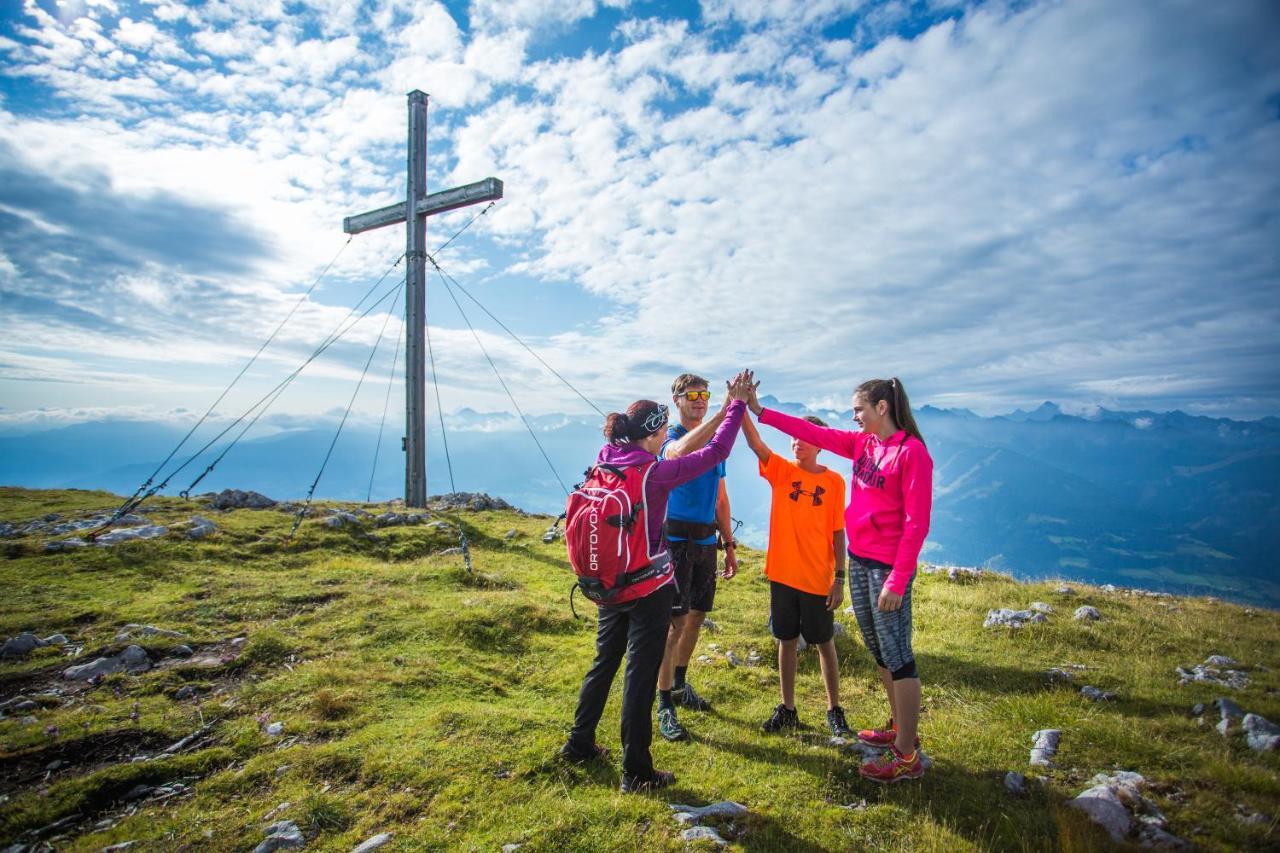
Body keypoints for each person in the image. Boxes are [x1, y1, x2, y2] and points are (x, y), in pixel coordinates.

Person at [562, 372, 753, 793]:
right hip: (647, 586)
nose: (668, 433)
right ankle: (637, 771)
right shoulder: (656, 472)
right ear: (653, 435)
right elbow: (718, 448)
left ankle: (579, 743)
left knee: (604, 662)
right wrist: (735, 404)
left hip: (608, 582)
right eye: (664, 427)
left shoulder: (606, 457)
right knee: (640, 673)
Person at [748, 377, 933, 783]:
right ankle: (900, 729)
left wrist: (898, 580)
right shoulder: (865, 445)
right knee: (880, 650)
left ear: (882, 408)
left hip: (886, 569)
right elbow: (811, 432)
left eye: (859, 409)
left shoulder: (911, 453)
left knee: (899, 656)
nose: (854, 416)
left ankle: (906, 756)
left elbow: (916, 523)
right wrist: (759, 411)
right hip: (861, 561)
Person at [739, 411, 851, 737]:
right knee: (785, 640)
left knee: (824, 643)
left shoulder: (833, 482)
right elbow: (756, 443)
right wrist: (741, 407)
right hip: (783, 575)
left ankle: (834, 709)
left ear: (821, 445)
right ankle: (787, 709)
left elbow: (838, 533)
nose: (797, 441)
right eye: (794, 436)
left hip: (818, 578)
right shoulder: (782, 472)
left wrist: (839, 579)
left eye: (805, 436)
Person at [654, 373, 739, 742]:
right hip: (674, 540)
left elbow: (720, 496)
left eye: (704, 394)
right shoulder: (671, 438)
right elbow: (677, 454)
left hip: (705, 541)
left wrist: (730, 543)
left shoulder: (713, 443)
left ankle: (680, 682)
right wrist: (723, 413)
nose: (699, 400)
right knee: (673, 624)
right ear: (677, 400)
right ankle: (663, 704)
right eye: (692, 395)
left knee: (697, 616)